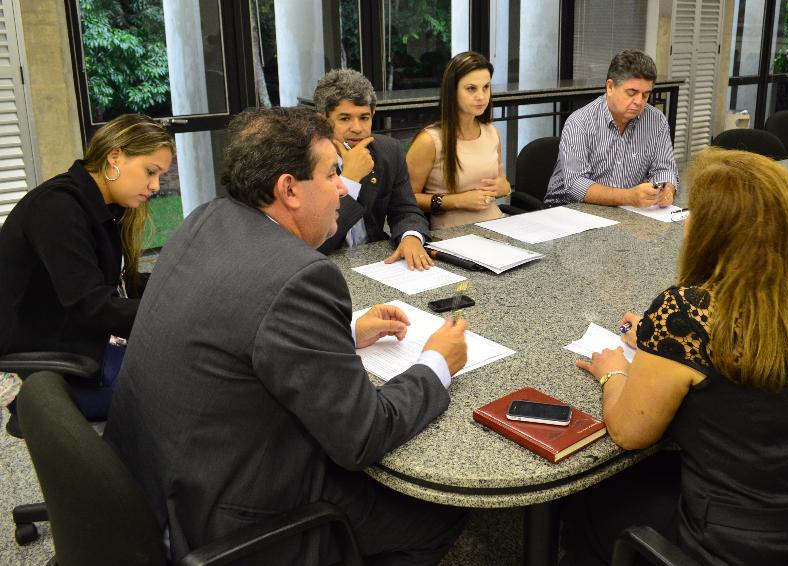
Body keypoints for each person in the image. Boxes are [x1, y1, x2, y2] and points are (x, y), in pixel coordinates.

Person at [104, 106, 468, 565]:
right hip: (223, 517)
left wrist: (344, 335)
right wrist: (436, 363)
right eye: (333, 172)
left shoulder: (205, 220)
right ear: (288, 189)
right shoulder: (301, 277)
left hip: (153, 484)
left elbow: (239, 326)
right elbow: (363, 436)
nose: (343, 188)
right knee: (437, 514)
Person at [562, 148, 788, 566]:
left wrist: (613, 373)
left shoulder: (686, 311)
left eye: (694, 210)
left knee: (586, 498)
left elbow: (629, 433)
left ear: (715, 231)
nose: (686, 219)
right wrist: (657, 340)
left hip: (734, 548)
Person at [0, 114, 174, 418]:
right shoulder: (58, 208)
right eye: (151, 172)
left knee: (179, 366)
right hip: (43, 370)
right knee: (180, 390)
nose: (155, 186)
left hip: (75, 343)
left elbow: (117, 284)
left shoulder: (101, 207)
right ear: (115, 156)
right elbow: (92, 305)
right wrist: (175, 315)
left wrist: (178, 288)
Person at [314, 68, 433, 270]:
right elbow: (319, 241)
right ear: (323, 120)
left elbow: (405, 210)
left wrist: (411, 236)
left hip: (376, 260)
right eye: (345, 118)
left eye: (364, 118)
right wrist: (350, 179)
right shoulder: (306, 162)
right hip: (326, 263)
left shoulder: (388, 151)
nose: (358, 128)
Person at [544, 49, 679, 208]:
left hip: (626, 210)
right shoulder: (580, 121)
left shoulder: (657, 121)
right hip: (568, 210)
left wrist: (667, 190)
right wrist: (629, 197)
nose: (639, 101)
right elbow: (575, 186)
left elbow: (665, 168)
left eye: (645, 95)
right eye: (631, 93)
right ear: (610, 87)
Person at [406, 51, 510, 230]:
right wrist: (457, 201)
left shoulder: (492, 132)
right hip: (451, 235)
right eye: (471, 88)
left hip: (497, 225)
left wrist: (505, 188)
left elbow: (502, 182)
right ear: (452, 91)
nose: (481, 96)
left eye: (486, 87)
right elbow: (406, 199)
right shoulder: (429, 141)